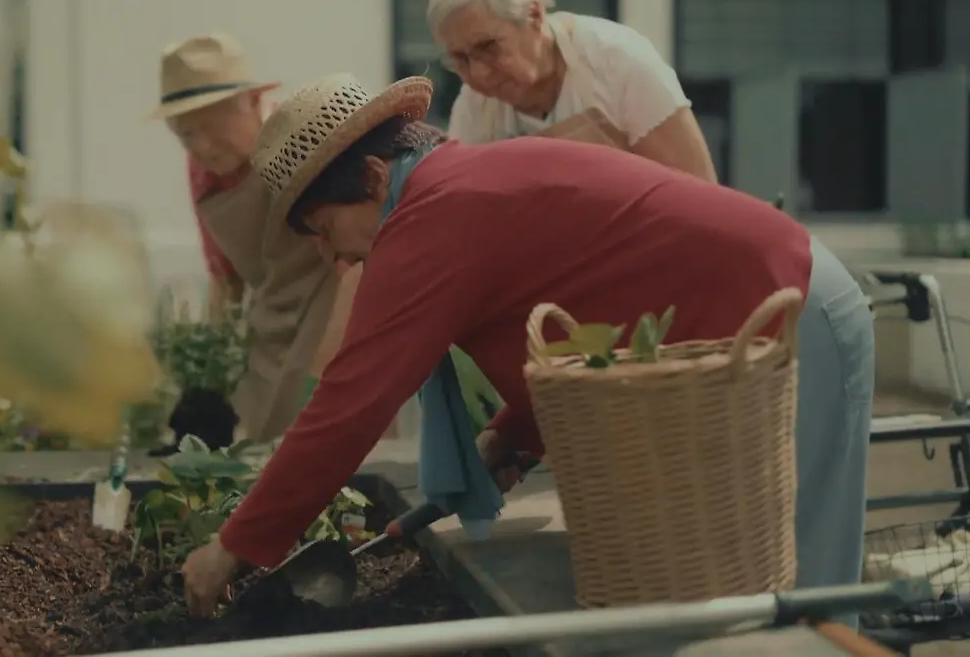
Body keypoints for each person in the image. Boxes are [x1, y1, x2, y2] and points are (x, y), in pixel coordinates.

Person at [180, 73, 874, 621]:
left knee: (803, 591)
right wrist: (517, 430)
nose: (334, 256)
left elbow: (350, 404)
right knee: (752, 585)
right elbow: (582, 310)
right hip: (756, 318)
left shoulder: (432, 218)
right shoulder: (453, 188)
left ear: (369, 179)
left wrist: (233, 548)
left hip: (789, 311)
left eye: (325, 229)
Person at [152, 33, 339, 443]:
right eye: (186, 135)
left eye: (213, 128)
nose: (201, 147)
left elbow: (359, 261)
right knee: (254, 444)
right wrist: (210, 377)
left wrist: (326, 366)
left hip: (336, 306)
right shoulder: (203, 173)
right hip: (270, 322)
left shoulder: (304, 138)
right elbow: (226, 279)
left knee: (332, 442)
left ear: (254, 101)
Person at [428, 0, 717, 183]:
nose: (479, 74)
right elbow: (464, 213)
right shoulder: (474, 106)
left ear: (534, 15)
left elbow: (698, 191)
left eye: (489, 47)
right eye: (461, 59)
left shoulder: (618, 62)